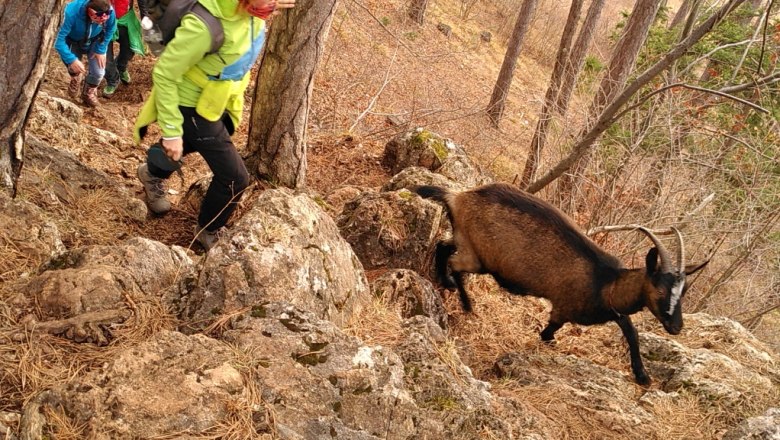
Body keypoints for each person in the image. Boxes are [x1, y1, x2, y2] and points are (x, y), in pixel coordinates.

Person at [133, 0, 295, 251]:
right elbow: (165, 72)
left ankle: (151, 172)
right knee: (235, 178)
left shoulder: (251, 10)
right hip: (192, 107)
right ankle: (208, 229)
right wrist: (171, 129)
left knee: (186, 144)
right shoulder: (204, 27)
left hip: (215, 100)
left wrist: (267, 6)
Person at [54, 0, 117, 107]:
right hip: (72, 39)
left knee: (99, 72)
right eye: (99, 20)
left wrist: (101, 49)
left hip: (96, 40)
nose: (102, 23)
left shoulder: (108, 10)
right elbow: (58, 40)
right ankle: (76, 78)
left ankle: (88, 93)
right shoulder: (70, 12)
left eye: (103, 21)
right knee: (74, 68)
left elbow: (111, 28)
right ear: (90, 12)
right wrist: (71, 59)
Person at [103, 0, 153, 97]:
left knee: (129, 49)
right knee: (105, 57)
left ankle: (121, 66)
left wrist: (145, 17)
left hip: (125, 18)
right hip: (104, 20)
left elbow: (142, 2)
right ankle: (112, 80)